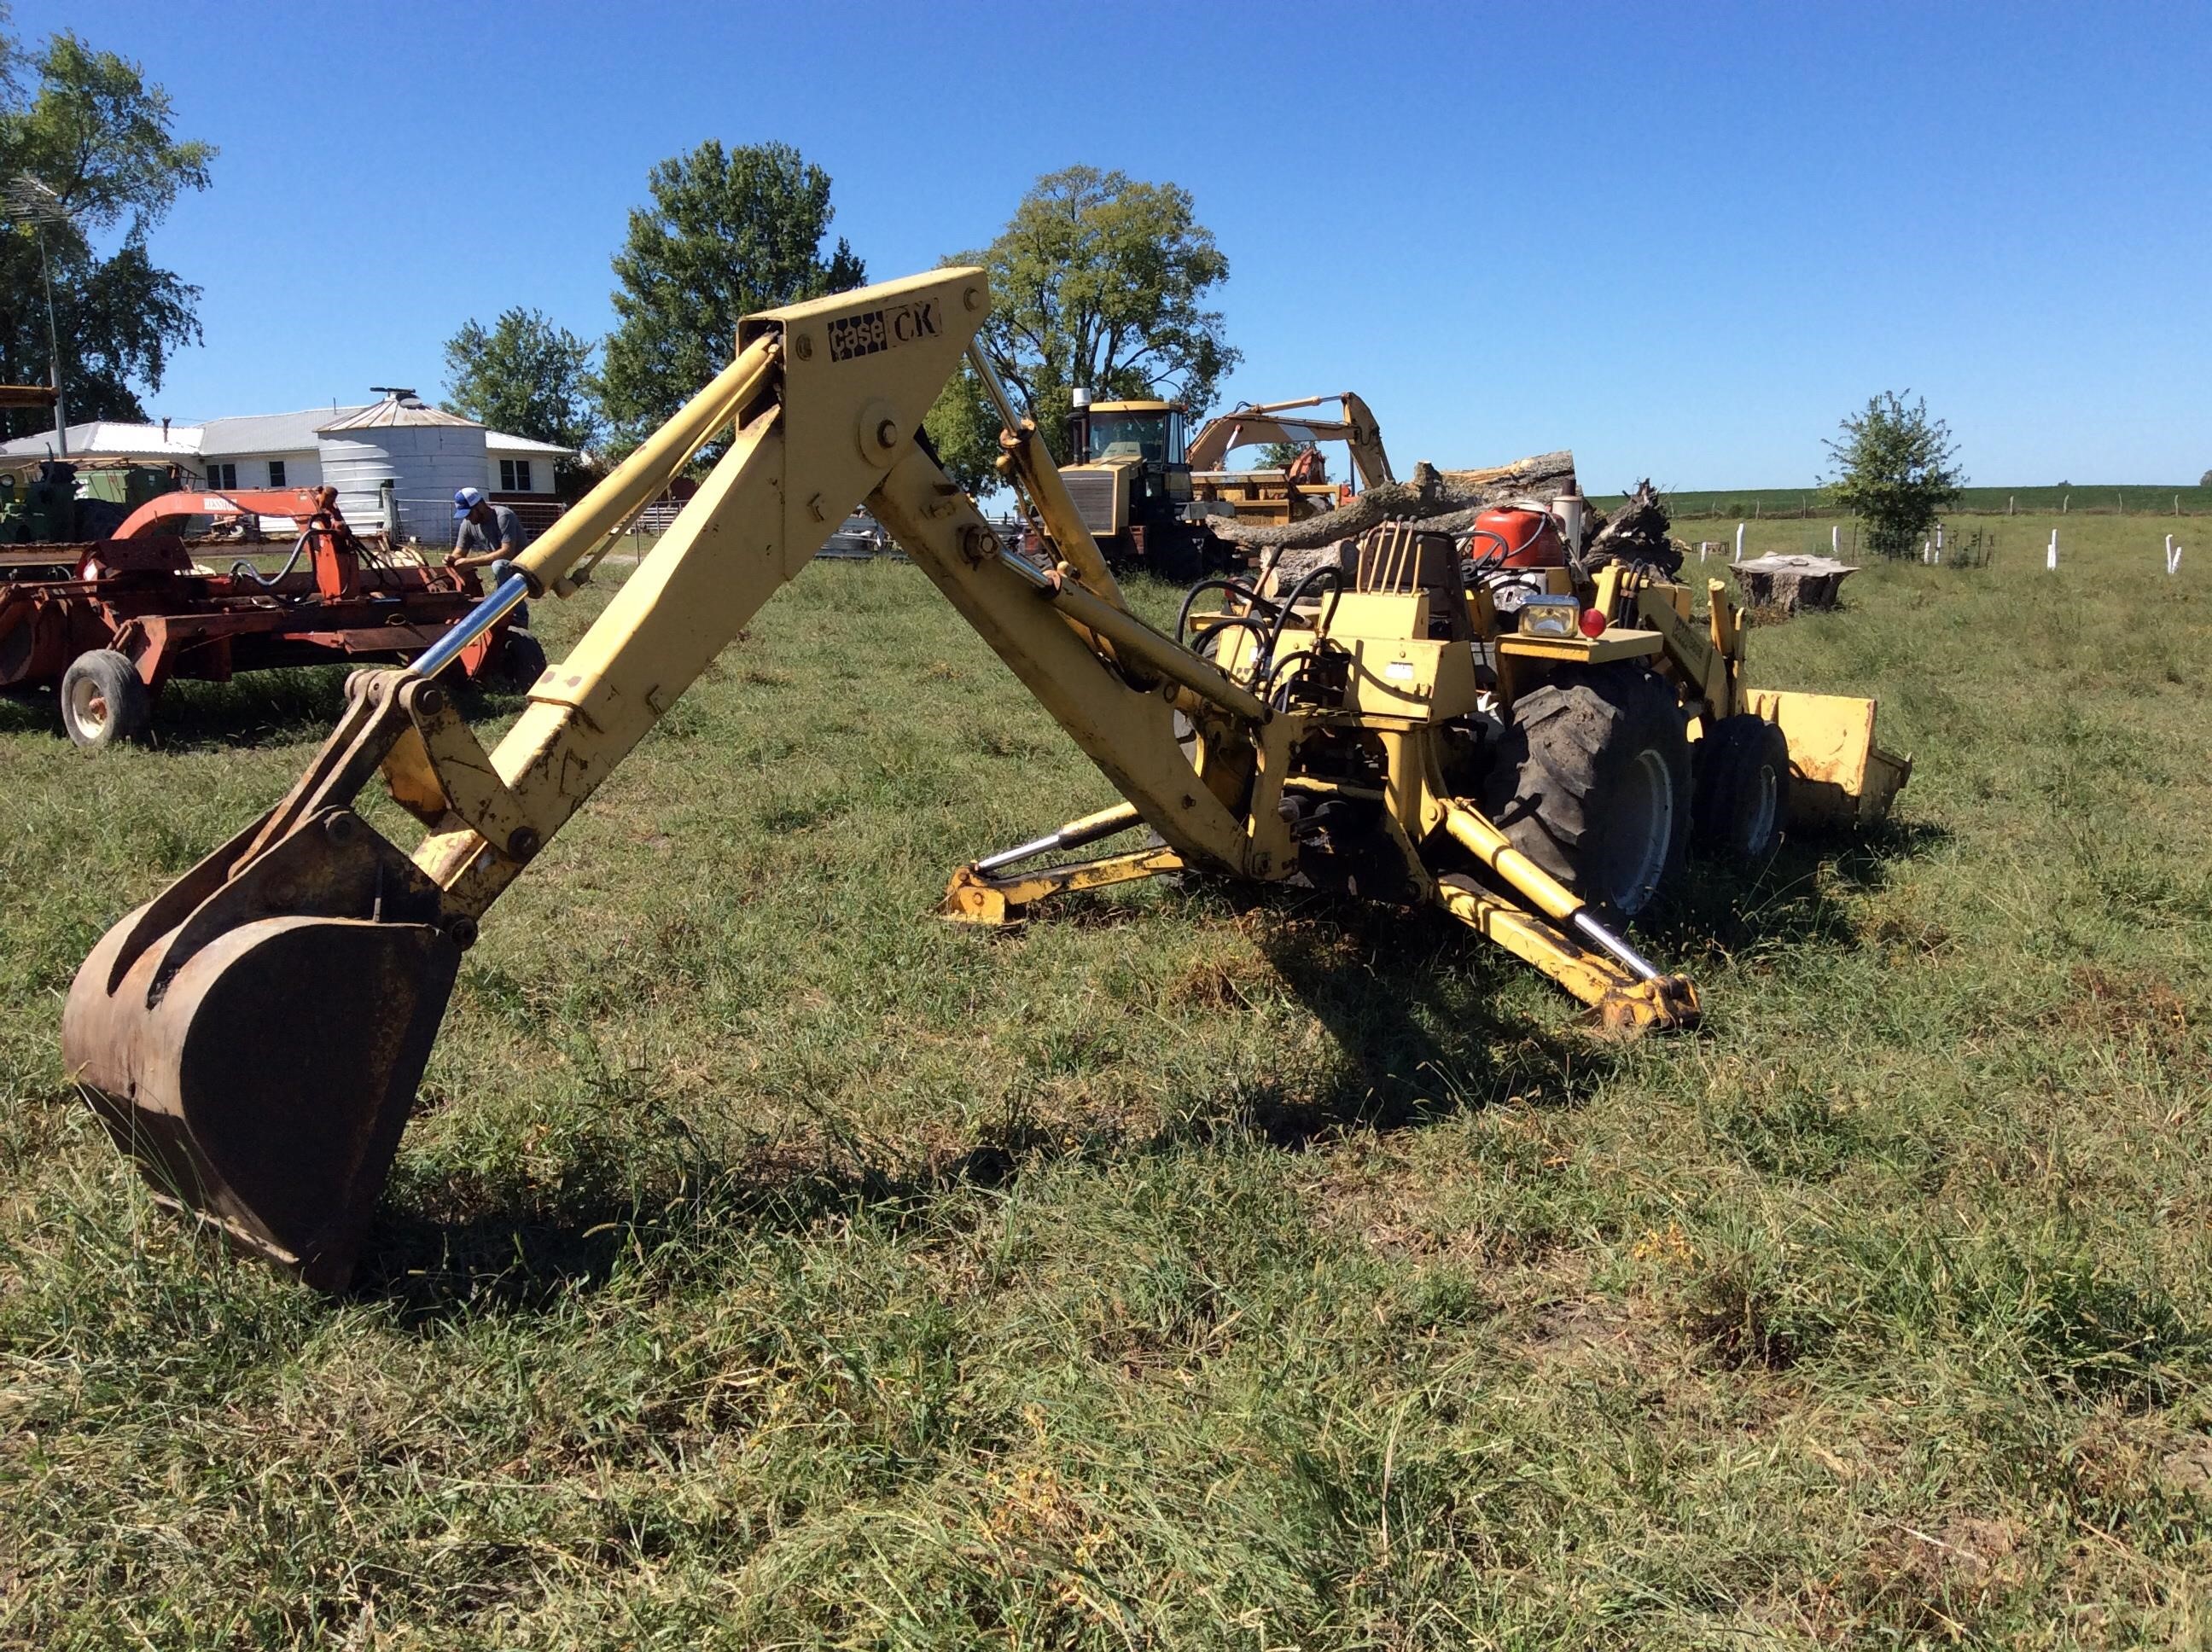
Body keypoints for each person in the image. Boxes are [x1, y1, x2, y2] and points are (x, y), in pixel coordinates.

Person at [451, 486, 525, 561]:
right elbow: (459, 553)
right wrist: (451, 559)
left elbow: (507, 553)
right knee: (498, 565)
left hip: (526, 564)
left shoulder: (504, 516)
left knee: (498, 565)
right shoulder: (467, 524)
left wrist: (472, 562)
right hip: (506, 567)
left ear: (480, 506)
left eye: (469, 514)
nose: (467, 518)